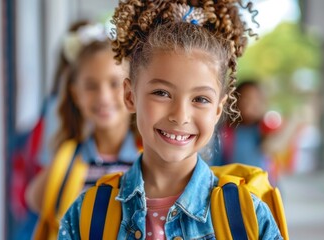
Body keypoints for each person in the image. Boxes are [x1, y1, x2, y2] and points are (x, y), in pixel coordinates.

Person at [58, 0, 283, 239]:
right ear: (129, 96)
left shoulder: (248, 217)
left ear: (219, 109)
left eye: (200, 99)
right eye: (162, 93)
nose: (180, 116)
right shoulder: (88, 215)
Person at [24, 20, 141, 238]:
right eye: (91, 86)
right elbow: (34, 200)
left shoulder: (149, 161)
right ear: (76, 94)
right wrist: (64, 158)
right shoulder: (67, 159)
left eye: (114, 84)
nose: (103, 97)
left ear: (133, 90)